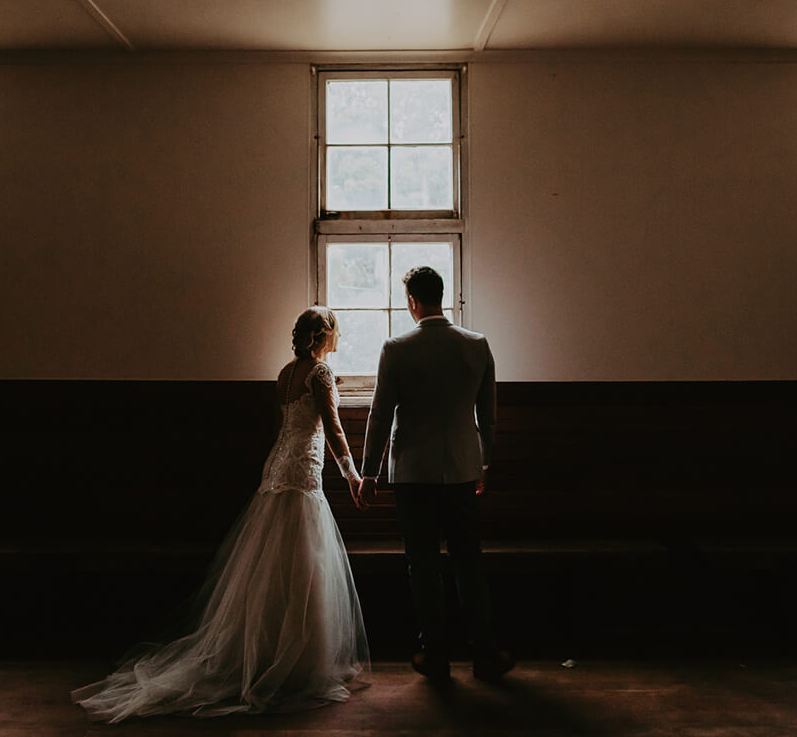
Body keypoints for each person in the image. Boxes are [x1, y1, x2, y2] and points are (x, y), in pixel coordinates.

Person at [72, 307, 369, 721]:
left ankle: (267, 653)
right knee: (302, 563)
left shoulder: (286, 374)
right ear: (324, 335)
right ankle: (298, 662)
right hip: (301, 472)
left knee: (274, 565)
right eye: (336, 332)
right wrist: (354, 477)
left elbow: (291, 426)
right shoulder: (319, 375)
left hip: (278, 467)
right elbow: (334, 430)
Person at [359, 266, 512, 682]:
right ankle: (484, 653)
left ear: (412, 301)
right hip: (462, 469)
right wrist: (484, 463)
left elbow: (380, 414)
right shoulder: (476, 345)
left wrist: (368, 473)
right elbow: (489, 415)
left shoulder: (396, 348)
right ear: (441, 296)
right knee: (468, 560)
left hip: (413, 472)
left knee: (423, 564)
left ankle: (436, 654)